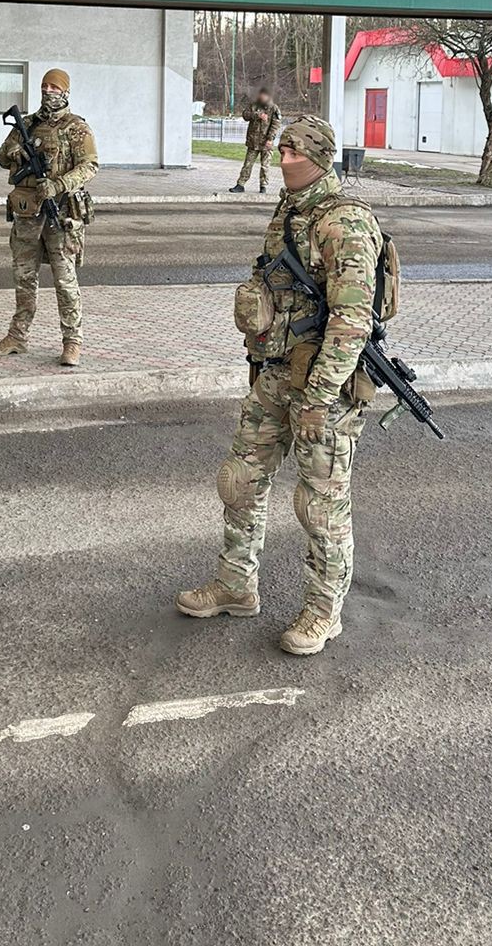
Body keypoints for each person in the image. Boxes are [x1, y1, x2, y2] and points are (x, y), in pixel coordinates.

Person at [176, 115, 382, 656]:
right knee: (239, 480)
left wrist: (319, 395)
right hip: (274, 373)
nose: (281, 156)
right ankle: (236, 584)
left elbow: (352, 319)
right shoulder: (292, 207)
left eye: (292, 149)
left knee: (320, 505)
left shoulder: (345, 222)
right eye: (281, 147)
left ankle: (323, 611)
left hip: (323, 390)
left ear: (317, 156)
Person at [0, 68, 98, 368]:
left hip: (61, 215)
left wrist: (59, 184)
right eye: (44, 86)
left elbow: (90, 166)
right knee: (24, 280)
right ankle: (18, 337)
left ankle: (72, 341)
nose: (48, 91)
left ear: (65, 91)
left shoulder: (77, 128)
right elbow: (1, 156)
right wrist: (15, 151)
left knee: (65, 282)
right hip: (27, 215)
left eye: (54, 86)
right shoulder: (28, 124)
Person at [230, 86, 281, 195]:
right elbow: (245, 115)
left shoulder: (273, 108)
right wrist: (257, 115)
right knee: (247, 164)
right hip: (253, 142)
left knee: (265, 166)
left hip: (266, 143)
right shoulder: (253, 105)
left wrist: (270, 139)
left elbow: (275, 125)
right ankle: (241, 184)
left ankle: (263, 186)